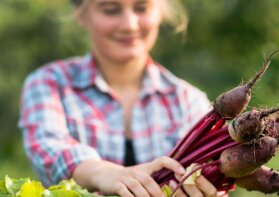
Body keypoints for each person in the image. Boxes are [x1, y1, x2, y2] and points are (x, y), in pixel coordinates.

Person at [18, 0, 219, 196]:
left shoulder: (188, 101)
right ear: (82, 14)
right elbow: (50, 149)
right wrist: (107, 174)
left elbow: (213, 171)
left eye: (142, 8)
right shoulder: (49, 84)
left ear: (159, 11)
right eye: (110, 10)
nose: (130, 24)